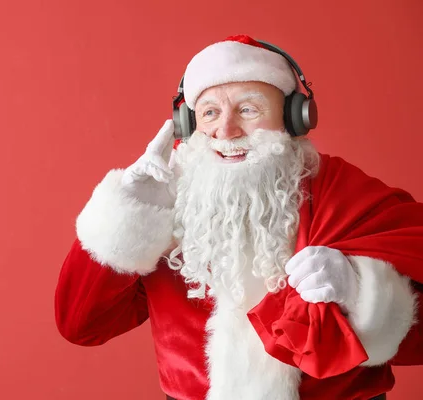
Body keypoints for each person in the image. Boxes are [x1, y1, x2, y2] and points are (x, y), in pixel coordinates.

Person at [54, 35, 423, 400]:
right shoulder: (165, 195)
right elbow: (82, 326)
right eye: (210, 112)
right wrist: (127, 216)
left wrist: (361, 291)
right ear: (187, 123)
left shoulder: (343, 192)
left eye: (248, 110)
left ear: (295, 118)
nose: (226, 131)